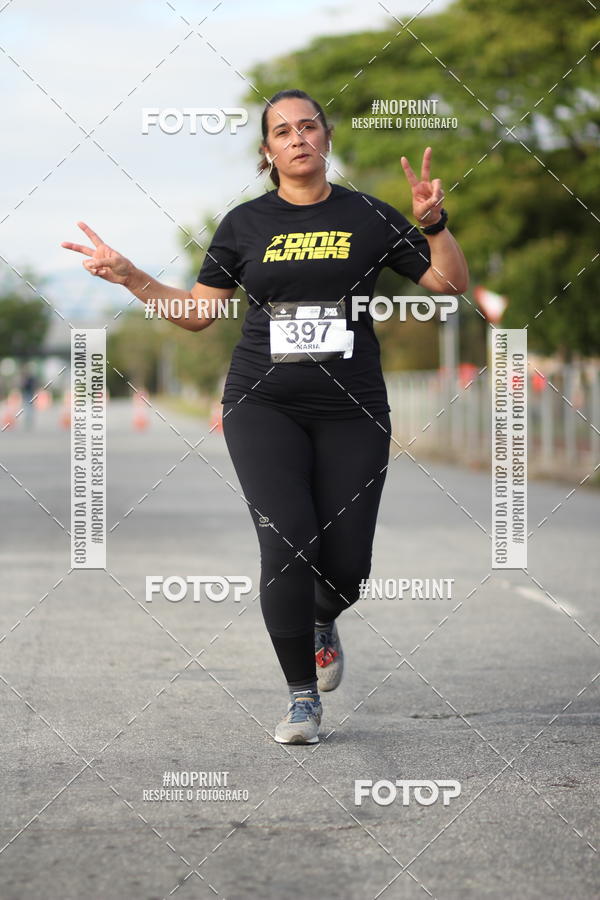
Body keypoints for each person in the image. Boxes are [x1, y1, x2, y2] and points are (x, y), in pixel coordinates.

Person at [61, 88, 468, 745]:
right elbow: (199, 313)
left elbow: (448, 286)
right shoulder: (244, 225)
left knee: (347, 568)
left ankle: (322, 617)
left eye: (308, 126)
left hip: (353, 408)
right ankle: (302, 697)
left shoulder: (368, 215)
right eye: (283, 131)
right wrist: (133, 276)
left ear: (326, 138)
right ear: (268, 151)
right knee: (289, 542)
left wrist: (435, 225)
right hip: (263, 402)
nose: (298, 137)